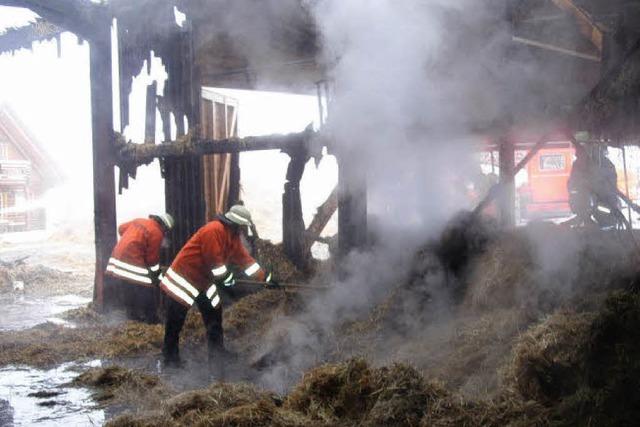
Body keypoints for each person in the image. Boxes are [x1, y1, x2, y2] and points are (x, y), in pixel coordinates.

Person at [160, 204, 278, 368]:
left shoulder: (233, 237)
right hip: (184, 277)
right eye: (243, 226)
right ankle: (169, 359)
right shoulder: (213, 230)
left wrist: (266, 278)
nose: (244, 230)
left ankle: (217, 353)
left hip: (204, 280)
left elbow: (245, 261)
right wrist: (227, 278)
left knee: (214, 314)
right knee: (176, 320)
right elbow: (214, 261)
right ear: (236, 223)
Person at [105, 213, 174, 323]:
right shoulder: (157, 233)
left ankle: (132, 315)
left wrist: (132, 238)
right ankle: (152, 319)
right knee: (146, 288)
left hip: (117, 260)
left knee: (128, 287)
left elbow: (121, 229)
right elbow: (152, 260)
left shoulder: (139, 220)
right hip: (132, 260)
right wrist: (157, 278)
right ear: (164, 226)